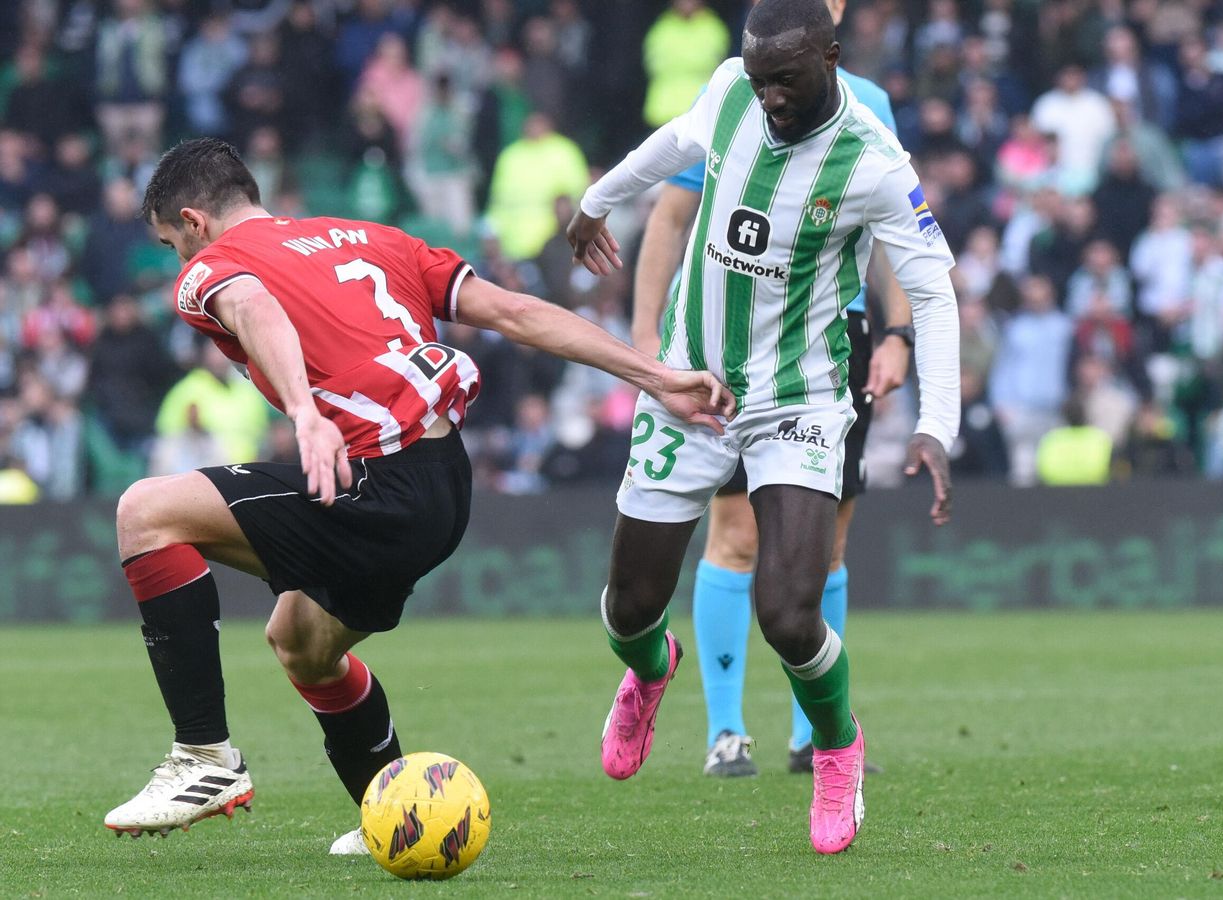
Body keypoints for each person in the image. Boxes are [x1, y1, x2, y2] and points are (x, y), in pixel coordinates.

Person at [103, 138, 729, 850]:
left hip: (376, 480)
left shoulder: (211, 267)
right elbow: (516, 313)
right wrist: (655, 376)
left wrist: (304, 412)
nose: (179, 261)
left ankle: (203, 756)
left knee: (145, 513)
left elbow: (252, 305)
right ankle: (399, 818)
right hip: (442, 484)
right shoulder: (375, 239)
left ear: (194, 221)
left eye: (173, 244)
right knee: (300, 642)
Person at [566, 0, 958, 855]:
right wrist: (598, 201)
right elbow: (675, 142)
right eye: (758, 79)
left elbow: (933, 292)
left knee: (788, 612)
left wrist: (938, 423)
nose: (769, 96)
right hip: (689, 386)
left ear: (831, 56)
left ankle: (836, 746)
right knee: (630, 609)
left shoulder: (874, 162)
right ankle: (651, 671)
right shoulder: (732, 90)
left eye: (785, 79)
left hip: (798, 401)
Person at [630, 0, 913, 780]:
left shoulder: (870, 106)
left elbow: (894, 228)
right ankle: (726, 731)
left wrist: (897, 332)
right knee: (735, 535)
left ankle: (809, 735)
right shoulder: (738, 91)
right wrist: (647, 335)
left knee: (826, 546)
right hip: (732, 342)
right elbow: (672, 215)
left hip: (830, 346)